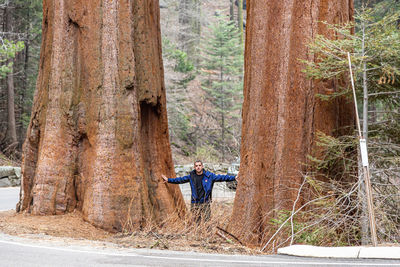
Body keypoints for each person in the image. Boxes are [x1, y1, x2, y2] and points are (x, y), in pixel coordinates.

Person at [161, 160, 238, 223]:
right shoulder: (191, 176)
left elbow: (222, 177)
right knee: (196, 221)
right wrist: (168, 180)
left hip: (205, 202)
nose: (198, 167)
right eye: (196, 166)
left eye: (199, 165)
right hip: (195, 202)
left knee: (207, 221)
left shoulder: (209, 176)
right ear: (194, 167)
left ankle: (206, 235)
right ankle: (197, 235)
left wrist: (234, 178)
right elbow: (180, 180)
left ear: (202, 166)